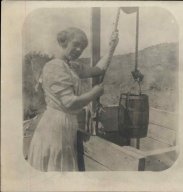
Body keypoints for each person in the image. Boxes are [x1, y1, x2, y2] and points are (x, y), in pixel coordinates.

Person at [28, 27, 119, 171]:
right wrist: (95, 93)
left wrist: (112, 47)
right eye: (75, 44)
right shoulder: (55, 67)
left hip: (66, 125)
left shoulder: (70, 66)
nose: (78, 50)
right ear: (64, 42)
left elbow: (98, 69)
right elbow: (69, 103)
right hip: (55, 127)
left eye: (82, 47)